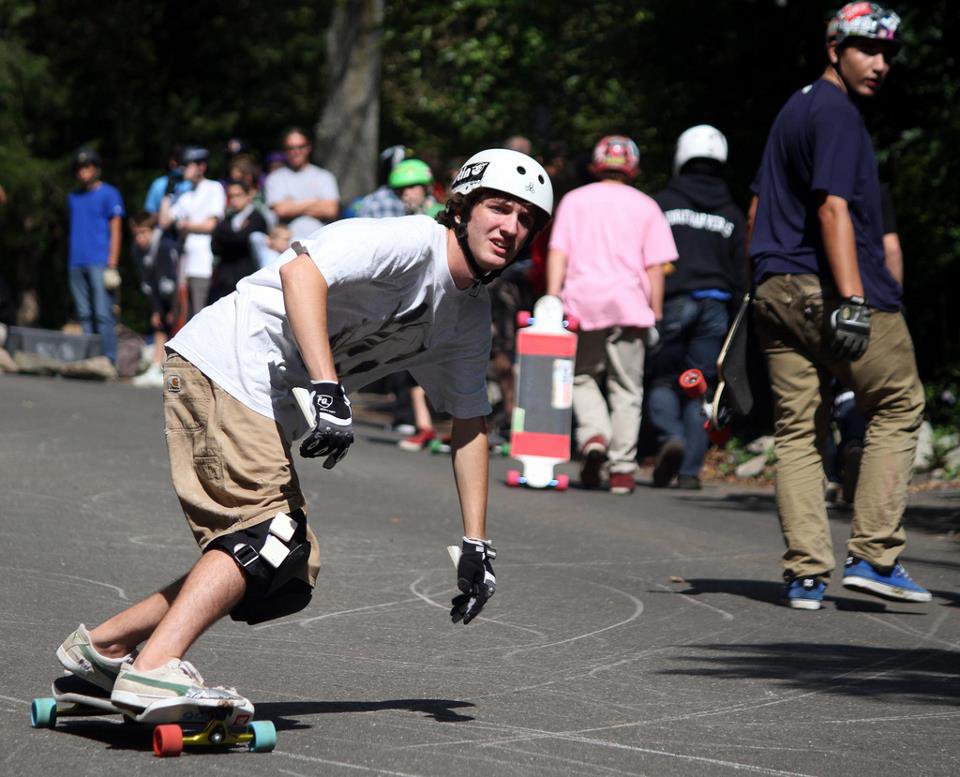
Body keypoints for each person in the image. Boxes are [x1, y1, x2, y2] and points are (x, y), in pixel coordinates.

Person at [52, 148, 553, 714]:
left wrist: (475, 540)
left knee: (283, 569)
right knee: (269, 539)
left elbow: (469, 424)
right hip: (230, 362)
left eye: (527, 219)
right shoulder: (412, 241)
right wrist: (326, 387)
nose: (511, 227)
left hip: (255, 397)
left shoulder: (468, 316)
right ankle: (152, 668)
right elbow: (301, 269)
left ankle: (103, 648)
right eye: (499, 207)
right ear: (461, 207)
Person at [747, 3, 930, 610]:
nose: (879, 64)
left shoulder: (794, 108)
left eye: (886, 53)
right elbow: (832, 208)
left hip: (774, 285)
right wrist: (853, 300)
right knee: (899, 400)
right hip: (825, 286)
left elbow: (756, 210)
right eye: (865, 49)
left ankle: (805, 575)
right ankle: (875, 555)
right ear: (833, 48)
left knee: (798, 429)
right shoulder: (838, 114)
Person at [547, 135, 677, 494]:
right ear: (632, 168)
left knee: (582, 376)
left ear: (595, 165)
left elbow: (558, 252)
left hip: (582, 303)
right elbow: (654, 267)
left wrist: (551, 298)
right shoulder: (647, 206)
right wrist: (656, 313)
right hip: (629, 305)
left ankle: (593, 437)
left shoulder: (574, 200)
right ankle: (621, 469)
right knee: (628, 388)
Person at [648, 125, 747, 489]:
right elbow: (741, 272)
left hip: (672, 301)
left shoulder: (661, 204)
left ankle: (669, 437)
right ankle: (690, 470)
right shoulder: (732, 212)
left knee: (662, 378)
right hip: (716, 306)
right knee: (699, 385)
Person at [66, 147, 125, 365]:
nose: (83, 172)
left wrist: (112, 263)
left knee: (103, 313)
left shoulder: (109, 193)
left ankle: (108, 360)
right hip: (76, 261)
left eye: (87, 166)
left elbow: (117, 229)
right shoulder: (73, 197)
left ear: (96, 168)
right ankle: (89, 359)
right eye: (79, 168)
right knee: (83, 314)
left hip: (100, 261)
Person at [159, 147, 226, 320]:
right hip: (185, 262)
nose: (183, 170)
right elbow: (164, 221)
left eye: (187, 165)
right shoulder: (185, 194)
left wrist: (185, 225)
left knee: (200, 313)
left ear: (201, 166)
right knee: (184, 315)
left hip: (203, 261)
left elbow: (211, 225)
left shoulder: (213, 187)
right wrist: (168, 193)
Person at [128, 211, 178, 386]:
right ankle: (157, 366)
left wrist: (173, 308)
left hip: (176, 293)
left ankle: (172, 371)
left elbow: (174, 278)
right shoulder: (137, 251)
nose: (139, 238)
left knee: (176, 327)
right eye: (136, 234)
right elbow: (149, 282)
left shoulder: (165, 246)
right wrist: (157, 309)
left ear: (152, 230)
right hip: (158, 292)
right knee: (158, 324)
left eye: (143, 233)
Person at [264, 127, 339, 239]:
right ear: (285, 150)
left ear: (308, 147)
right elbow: (281, 210)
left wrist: (292, 205)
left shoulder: (324, 176)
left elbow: (331, 210)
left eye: (300, 147)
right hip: (286, 243)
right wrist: (314, 202)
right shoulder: (275, 178)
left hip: (320, 240)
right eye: (290, 148)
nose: (296, 152)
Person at [209, 179, 268, 303]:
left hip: (249, 276)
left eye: (238, 195)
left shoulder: (257, 218)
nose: (234, 200)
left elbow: (241, 240)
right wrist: (237, 234)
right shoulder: (228, 219)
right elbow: (215, 245)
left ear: (248, 196)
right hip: (226, 279)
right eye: (231, 196)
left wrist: (231, 237)